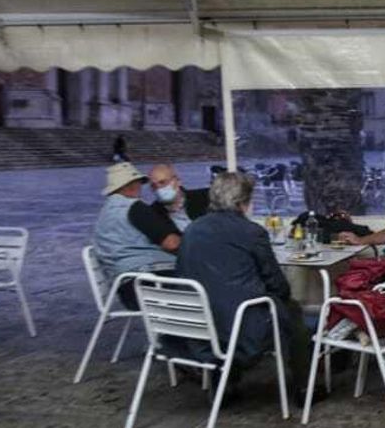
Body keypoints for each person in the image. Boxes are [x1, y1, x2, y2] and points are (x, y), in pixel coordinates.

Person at [171, 171, 314, 394]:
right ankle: (304, 388)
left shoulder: (192, 230)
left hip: (199, 328)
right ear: (243, 203)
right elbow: (278, 286)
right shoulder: (251, 232)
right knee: (291, 310)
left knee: (225, 302)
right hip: (242, 328)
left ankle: (225, 383)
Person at [93, 162, 178, 309]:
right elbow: (171, 243)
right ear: (131, 185)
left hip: (127, 290)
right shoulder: (134, 207)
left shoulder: (105, 214)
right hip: (151, 285)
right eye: (139, 182)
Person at [146, 163, 209, 234]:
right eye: (153, 186)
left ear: (178, 181)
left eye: (163, 182)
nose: (158, 188)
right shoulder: (152, 214)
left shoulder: (205, 197)